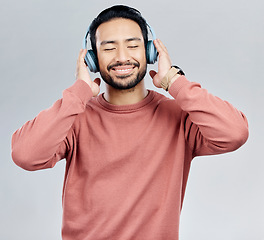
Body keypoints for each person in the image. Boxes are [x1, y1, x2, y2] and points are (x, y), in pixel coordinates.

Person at [11, 5, 249, 240]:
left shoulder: (178, 116)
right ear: (92, 59)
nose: (122, 57)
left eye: (133, 45)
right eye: (109, 48)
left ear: (150, 52)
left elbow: (234, 132)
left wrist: (174, 81)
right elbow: (25, 154)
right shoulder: (74, 116)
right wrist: (79, 93)